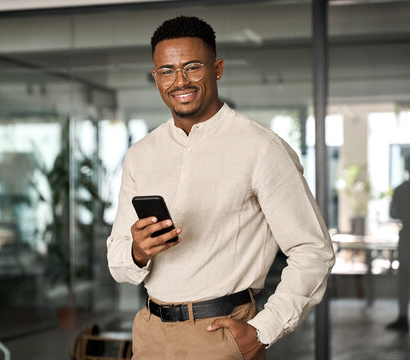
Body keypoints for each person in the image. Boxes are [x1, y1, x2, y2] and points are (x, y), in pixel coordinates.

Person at [106, 16, 335, 360]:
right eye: (166, 71)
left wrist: (264, 329)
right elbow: (117, 260)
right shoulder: (141, 154)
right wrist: (138, 252)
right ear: (156, 77)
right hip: (149, 334)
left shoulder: (261, 147)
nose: (179, 81)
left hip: (222, 334)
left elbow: (313, 250)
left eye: (192, 67)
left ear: (218, 69)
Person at [386, 156, 410, 331]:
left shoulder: (401, 189)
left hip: (407, 235)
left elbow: (393, 213)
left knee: (404, 279)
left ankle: (403, 317)